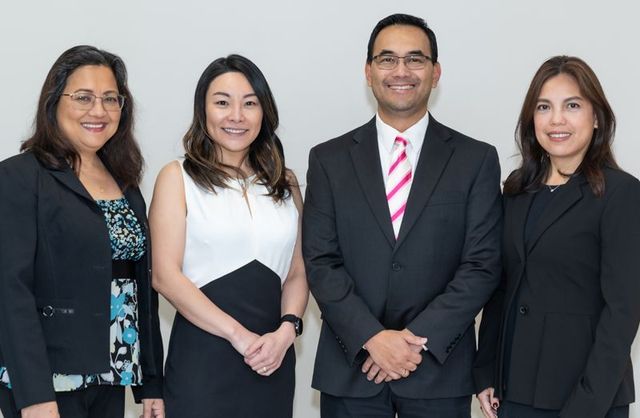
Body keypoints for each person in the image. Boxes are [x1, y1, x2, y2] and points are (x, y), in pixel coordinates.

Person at [302, 13, 502, 418]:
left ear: (435, 71)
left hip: (437, 372)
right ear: (368, 70)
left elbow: (482, 265)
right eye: (387, 59)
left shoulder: (475, 159)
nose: (401, 71)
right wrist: (372, 338)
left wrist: (411, 343)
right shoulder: (328, 159)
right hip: (352, 368)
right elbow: (321, 261)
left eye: (415, 59)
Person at [0, 45, 164, 418]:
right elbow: (10, 293)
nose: (99, 111)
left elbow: (141, 286)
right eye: (84, 97)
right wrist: (35, 396)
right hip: (49, 382)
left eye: (110, 99)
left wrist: (150, 383)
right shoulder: (20, 177)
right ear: (54, 102)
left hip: (113, 371)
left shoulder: (126, 185)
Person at [474, 56, 640, 418]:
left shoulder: (621, 194)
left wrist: (586, 405)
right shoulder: (516, 191)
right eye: (544, 107)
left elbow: (623, 312)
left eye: (573, 105)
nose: (557, 120)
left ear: (596, 118)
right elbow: (502, 288)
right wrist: (485, 371)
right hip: (514, 392)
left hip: (585, 399)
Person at [149, 54, 308, 418]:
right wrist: (239, 336)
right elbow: (165, 275)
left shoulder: (286, 183)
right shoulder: (177, 177)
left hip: (272, 358)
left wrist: (286, 333)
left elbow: (299, 271)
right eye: (222, 102)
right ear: (203, 110)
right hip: (203, 360)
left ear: (264, 112)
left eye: (250, 103)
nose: (236, 115)